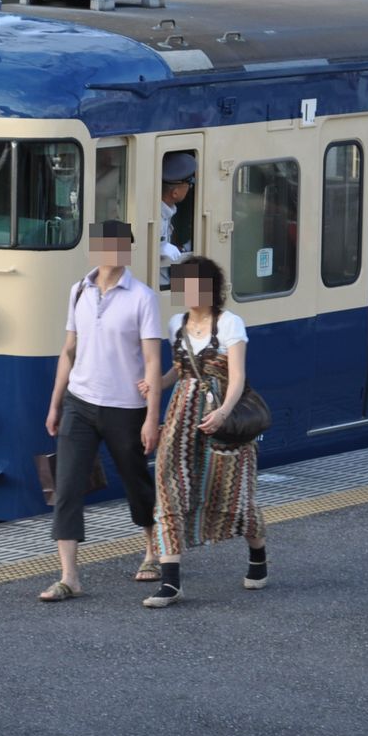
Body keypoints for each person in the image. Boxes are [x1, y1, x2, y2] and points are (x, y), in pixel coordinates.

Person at [41, 219, 164, 602]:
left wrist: (151, 417)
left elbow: (151, 361)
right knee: (67, 486)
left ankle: (152, 549)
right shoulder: (79, 290)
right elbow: (69, 350)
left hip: (125, 407)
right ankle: (69, 576)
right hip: (80, 401)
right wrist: (55, 402)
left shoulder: (142, 297)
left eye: (118, 245)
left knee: (135, 482)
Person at [142, 255, 268, 607]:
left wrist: (224, 413)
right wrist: (154, 384)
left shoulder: (230, 323)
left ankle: (258, 556)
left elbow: (237, 376)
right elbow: (180, 373)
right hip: (181, 417)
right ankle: (170, 582)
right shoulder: (175, 324)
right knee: (168, 488)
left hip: (221, 418)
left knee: (234, 497)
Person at [158, 151, 197, 287]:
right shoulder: (157, 218)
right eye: (188, 184)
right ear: (175, 193)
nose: (190, 187)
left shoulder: (166, 211)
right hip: (160, 285)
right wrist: (159, 248)